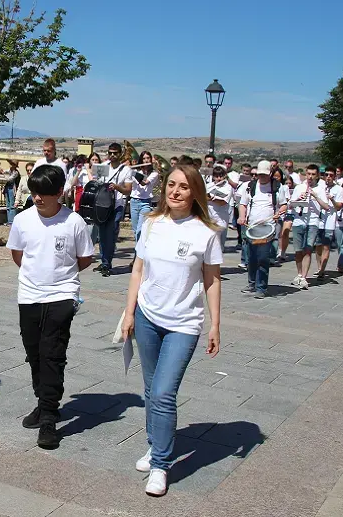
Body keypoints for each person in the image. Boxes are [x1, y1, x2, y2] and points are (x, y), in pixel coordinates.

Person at [119, 164, 223, 497]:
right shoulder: (150, 223)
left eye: (183, 187)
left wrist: (215, 324)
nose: (175, 192)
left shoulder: (206, 232)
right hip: (148, 317)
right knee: (151, 389)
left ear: (195, 193)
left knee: (164, 392)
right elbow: (138, 270)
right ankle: (156, 445)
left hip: (184, 324)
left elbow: (212, 279)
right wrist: (129, 312)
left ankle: (162, 464)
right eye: (171, 185)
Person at [6, 165, 95, 449]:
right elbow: (18, 254)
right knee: (34, 354)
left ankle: (48, 421)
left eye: (45, 193)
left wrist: (60, 277)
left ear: (60, 192)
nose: (38, 198)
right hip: (29, 295)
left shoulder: (74, 222)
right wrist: (37, 276)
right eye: (34, 192)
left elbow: (84, 259)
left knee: (52, 354)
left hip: (62, 295)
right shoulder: (22, 220)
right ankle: (45, 404)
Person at [238, 160, 288, 298]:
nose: (262, 177)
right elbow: (243, 204)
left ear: (270, 173)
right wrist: (242, 217)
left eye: (265, 175)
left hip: (268, 228)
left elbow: (284, 205)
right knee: (251, 257)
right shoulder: (250, 186)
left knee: (263, 258)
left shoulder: (277, 187)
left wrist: (279, 212)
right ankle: (252, 283)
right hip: (252, 228)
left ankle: (261, 287)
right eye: (260, 175)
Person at [288, 164, 331, 290]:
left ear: (317, 175)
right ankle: (299, 273)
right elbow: (290, 205)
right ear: (305, 174)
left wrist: (315, 196)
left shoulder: (320, 189)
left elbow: (326, 207)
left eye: (313, 174)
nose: (310, 177)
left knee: (308, 249)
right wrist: (298, 198)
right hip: (299, 221)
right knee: (297, 251)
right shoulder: (299, 187)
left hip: (313, 222)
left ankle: (304, 277)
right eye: (308, 174)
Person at [92, 143, 133, 276]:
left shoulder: (126, 170)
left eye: (115, 153)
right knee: (102, 234)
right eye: (110, 153)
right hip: (103, 205)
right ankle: (104, 260)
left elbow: (128, 190)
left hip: (117, 205)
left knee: (110, 235)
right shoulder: (102, 167)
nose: (112, 155)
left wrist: (116, 187)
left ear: (120, 153)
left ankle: (106, 263)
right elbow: (96, 182)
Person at [312, 166, 343, 279]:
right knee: (318, 245)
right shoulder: (319, 187)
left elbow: (339, 207)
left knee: (326, 246)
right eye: (326, 175)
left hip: (330, 222)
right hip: (318, 220)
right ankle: (319, 267)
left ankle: (322, 270)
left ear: (334, 177)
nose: (328, 177)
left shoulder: (338, 189)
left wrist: (332, 199)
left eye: (331, 175)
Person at [130, 151, 159, 243]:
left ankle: (139, 254)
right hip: (134, 201)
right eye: (144, 158)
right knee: (135, 230)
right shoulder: (136, 171)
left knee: (140, 229)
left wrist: (132, 172)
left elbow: (144, 183)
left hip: (145, 202)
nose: (146, 160)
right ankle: (138, 252)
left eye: (148, 158)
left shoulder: (154, 174)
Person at [205, 165, 234, 251]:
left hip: (220, 220)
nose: (219, 178)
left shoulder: (228, 188)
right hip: (208, 219)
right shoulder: (209, 186)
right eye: (216, 176)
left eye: (221, 176)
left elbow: (223, 202)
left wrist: (210, 198)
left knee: (217, 245)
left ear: (225, 176)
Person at [278, 175, 296, 262]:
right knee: (279, 234)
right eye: (286, 183)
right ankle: (279, 249)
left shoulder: (295, 191)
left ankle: (283, 251)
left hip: (290, 213)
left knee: (286, 231)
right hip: (281, 213)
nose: (288, 185)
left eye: (290, 183)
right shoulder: (281, 189)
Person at [0, 160, 21, 226]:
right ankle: (9, 221)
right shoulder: (9, 170)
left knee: (12, 206)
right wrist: (0, 170)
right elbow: (3, 172)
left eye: (12, 164)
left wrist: (3, 173)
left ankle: (12, 221)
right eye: (10, 164)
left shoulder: (16, 172)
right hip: (7, 188)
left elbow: (9, 179)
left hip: (12, 189)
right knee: (8, 205)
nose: (11, 165)